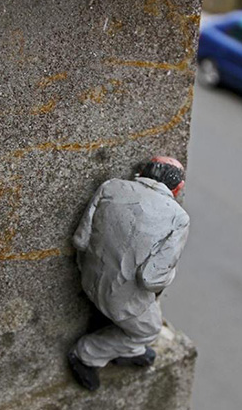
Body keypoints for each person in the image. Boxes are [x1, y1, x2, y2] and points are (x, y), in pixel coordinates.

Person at [68, 156, 190, 391]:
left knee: (141, 321)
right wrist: (171, 273)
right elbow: (151, 279)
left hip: (88, 279)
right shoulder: (178, 218)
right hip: (120, 299)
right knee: (149, 330)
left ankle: (131, 351)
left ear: (143, 171)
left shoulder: (111, 186)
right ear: (177, 188)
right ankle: (86, 354)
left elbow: (80, 240)